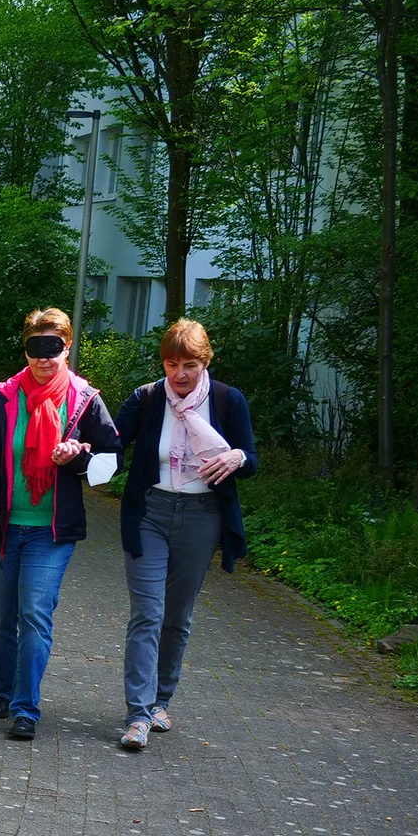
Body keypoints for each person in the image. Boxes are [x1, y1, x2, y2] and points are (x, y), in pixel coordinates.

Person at [0, 308, 120, 740]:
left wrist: (80, 458)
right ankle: (3, 690)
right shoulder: (3, 399)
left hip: (52, 532)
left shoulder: (85, 400)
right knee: (0, 616)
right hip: (6, 526)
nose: (45, 358)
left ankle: (25, 708)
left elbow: (111, 461)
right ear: (26, 349)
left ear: (67, 347)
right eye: (36, 348)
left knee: (34, 614)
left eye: (54, 348)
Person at [111, 318, 257, 750]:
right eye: (171, 364)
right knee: (148, 614)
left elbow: (251, 459)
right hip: (149, 513)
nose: (179, 374)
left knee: (178, 617)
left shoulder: (229, 401)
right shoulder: (147, 399)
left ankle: (160, 702)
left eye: (189, 364)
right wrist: (84, 451)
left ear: (204, 361)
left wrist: (235, 457)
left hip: (202, 515)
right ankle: (137, 716)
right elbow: (112, 443)